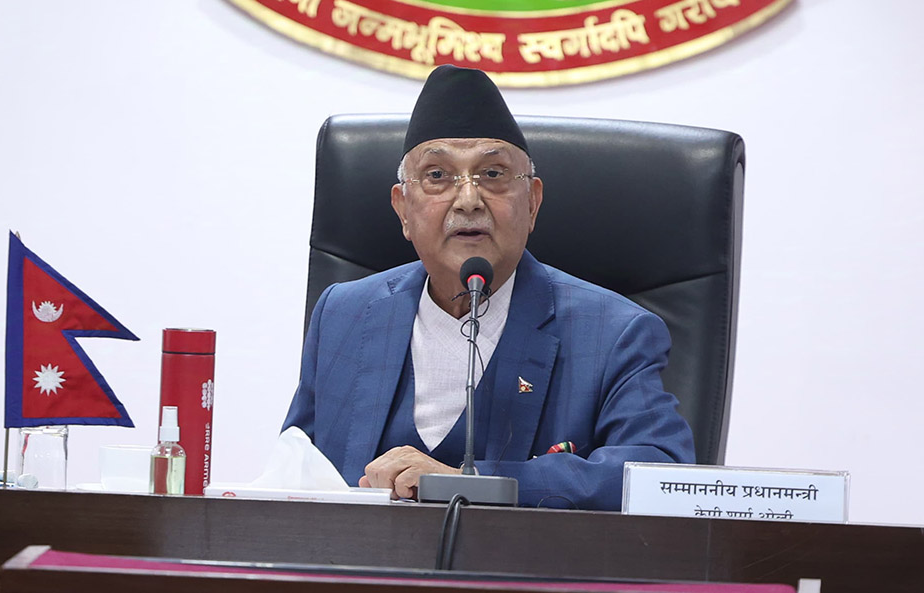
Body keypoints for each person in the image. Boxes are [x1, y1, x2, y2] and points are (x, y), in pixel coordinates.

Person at [282, 64, 694, 511]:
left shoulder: (615, 332)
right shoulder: (344, 314)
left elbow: (658, 475)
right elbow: (295, 470)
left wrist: (474, 483)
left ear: (532, 202)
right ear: (403, 209)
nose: (468, 200)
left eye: (493, 174)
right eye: (437, 176)